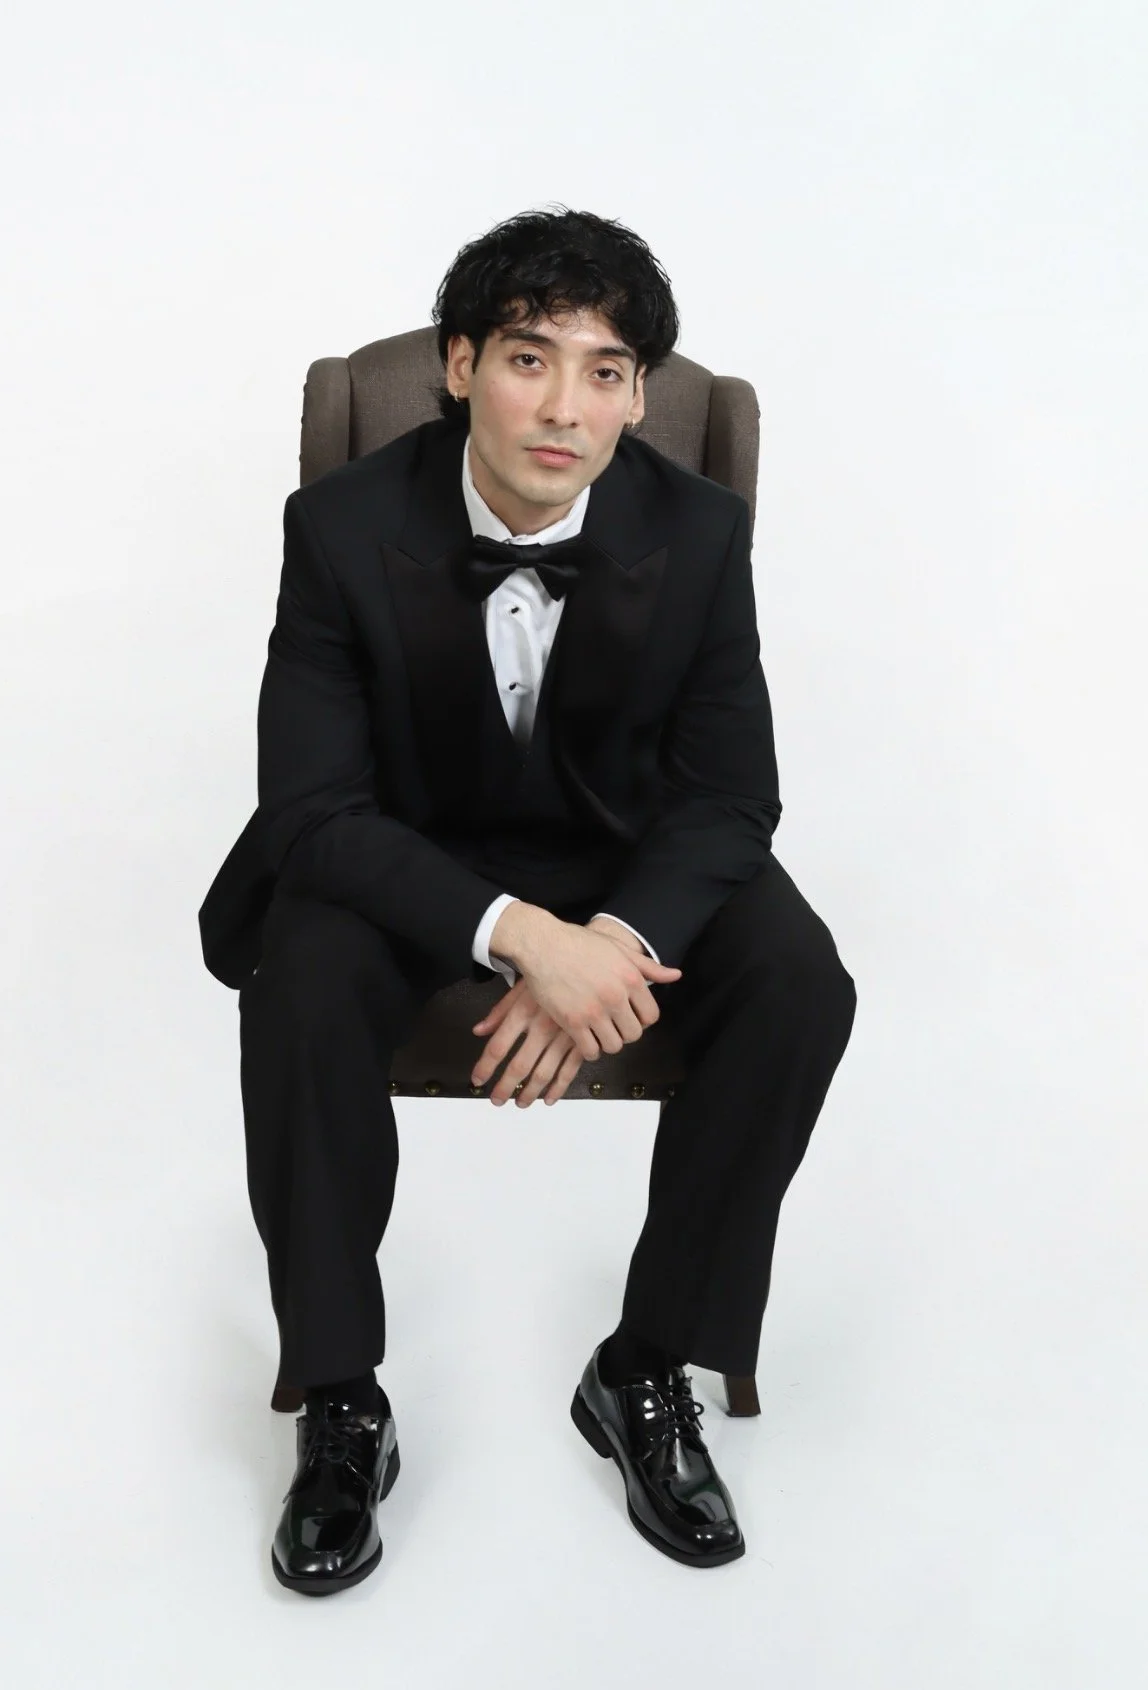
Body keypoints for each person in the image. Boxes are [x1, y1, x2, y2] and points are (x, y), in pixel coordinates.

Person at [197, 206, 857, 1594]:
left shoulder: (701, 529)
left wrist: (610, 945)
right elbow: (313, 809)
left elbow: (732, 796)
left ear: (638, 394)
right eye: (528, 358)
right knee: (301, 975)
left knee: (802, 977)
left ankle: (645, 1365)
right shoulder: (337, 528)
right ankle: (339, 1399)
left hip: (622, 863)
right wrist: (520, 941)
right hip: (405, 856)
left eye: (607, 371)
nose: (566, 407)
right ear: (457, 366)